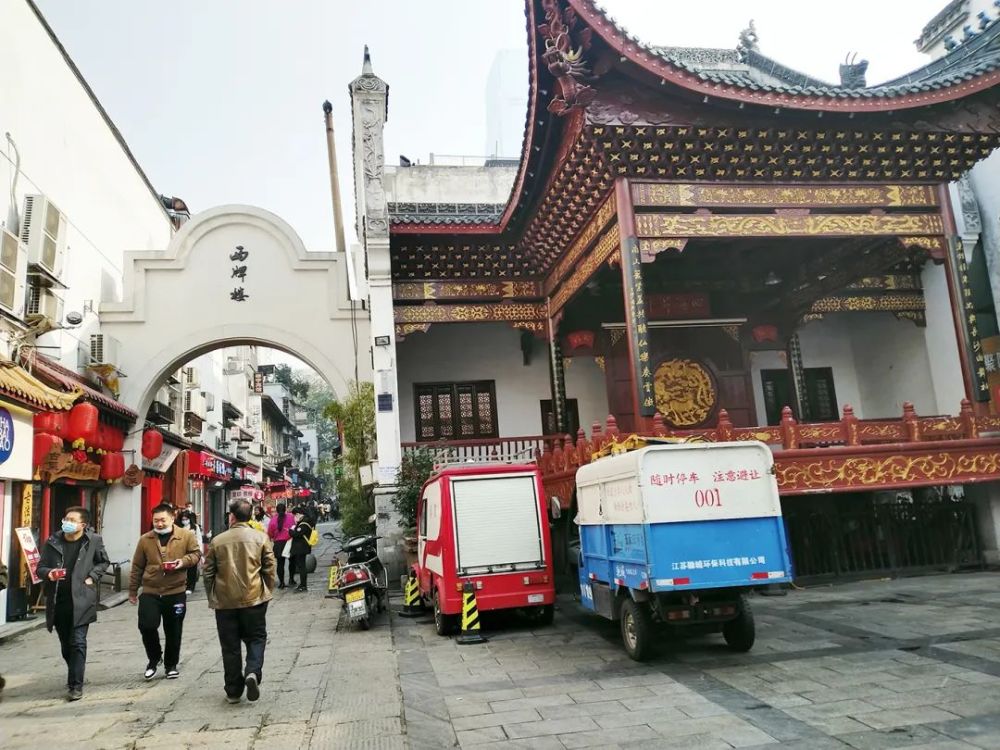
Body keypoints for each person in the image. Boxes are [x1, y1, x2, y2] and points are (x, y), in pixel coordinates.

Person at [203, 498, 276, 704]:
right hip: (253, 599)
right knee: (256, 638)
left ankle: (233, 691)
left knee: (230, 646)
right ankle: (252, 672)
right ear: (251, 516)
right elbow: (270, 568)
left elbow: (207, 573)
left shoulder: (218, 541)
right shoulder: (261, 538)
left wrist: (212, 596)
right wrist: (267, 591)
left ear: (232, 516)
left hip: (225, 603)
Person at [36, 506, 109, 701]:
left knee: (77, 642)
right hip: (58, 601)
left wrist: (92, 577)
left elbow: (103, 562)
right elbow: (40, 568)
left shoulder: (93, 541)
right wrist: (49, 573)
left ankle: (76, 685)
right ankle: (75, 673)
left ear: (83, 525)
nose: (67, 522)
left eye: (72, 520)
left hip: (82, 599)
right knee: (65, 645)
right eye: (66, 518)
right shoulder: (52, 542)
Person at [129, 503, 201, 680]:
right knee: (146, 625)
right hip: (150, 590)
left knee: (173, 629)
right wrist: (132, 591)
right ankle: (154, 659)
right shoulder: (145, 539)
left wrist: (182, 562)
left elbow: (196, 554)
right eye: (156, 520)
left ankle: (171, 665)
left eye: (162, 520)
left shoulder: (185, 536)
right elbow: (137, 566)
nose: (159, 524)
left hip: (175, 590)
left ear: (172, 518)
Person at [287, 507, 315, 593]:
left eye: (295, 515)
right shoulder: (306, 521)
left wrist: (290, 530)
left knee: (302, 567)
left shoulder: (304, 523)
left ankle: (303, 585)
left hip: (300, 548)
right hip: (302, 547)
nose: (295, 517)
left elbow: (296, 534)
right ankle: (302, 584)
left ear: (299, 514)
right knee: (301, 566)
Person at [267, 502, 294, 589]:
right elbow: (295, 527)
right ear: (285, 509)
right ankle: (291, 579)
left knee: (280, 564)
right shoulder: (291, 517)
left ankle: (281, 582)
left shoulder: (273, 520)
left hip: (278, 544)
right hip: (289, 542)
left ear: (277, 510)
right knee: (292, 562)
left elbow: (270, 533)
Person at [175, 509, 203, 594]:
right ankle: (182, 585)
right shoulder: (179, 528)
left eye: (186, 519)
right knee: (181, 568)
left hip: (192, 550)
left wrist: (199, 550)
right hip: (181, 550)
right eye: (183, 519)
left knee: (192, 570)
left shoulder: (195, 527)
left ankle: (190, 587)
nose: (184, 521)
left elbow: (199, 539)